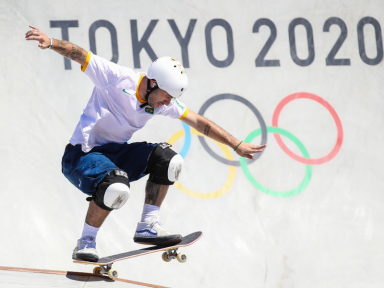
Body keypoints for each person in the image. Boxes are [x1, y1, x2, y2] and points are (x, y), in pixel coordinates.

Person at [25, 25, 266, 262]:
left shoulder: (162, 100)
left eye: (171, 99)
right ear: (152, 82)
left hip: (115, 154)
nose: (167, 103)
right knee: (116, 185)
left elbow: (199, 122)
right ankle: (86, 241)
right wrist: (51, 43)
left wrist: (236, 144)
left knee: (168, 159)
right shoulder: (116, 77)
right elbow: (80, 54)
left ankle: (148, 225)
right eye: (166, 96)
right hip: (81, 156)